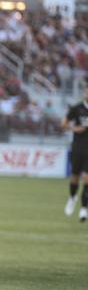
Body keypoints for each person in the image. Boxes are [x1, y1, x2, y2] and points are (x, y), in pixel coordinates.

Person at [62, 82, 88, 221]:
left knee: (87, 179)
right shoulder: (77, 109)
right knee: (75, 177)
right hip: (78, 148)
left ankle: (84, 209)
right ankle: (72, 198)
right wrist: (74, 129)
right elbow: (63, 124)